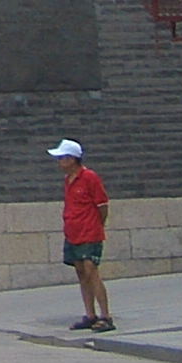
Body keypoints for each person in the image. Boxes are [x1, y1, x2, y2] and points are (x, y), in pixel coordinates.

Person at [47, 138, 112, 333]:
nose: (59, 162)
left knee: (92, 271)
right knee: (81, 273)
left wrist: (97, 225)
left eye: (61, 158)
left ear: (72, 159)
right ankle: (90, 315)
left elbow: (102, 205)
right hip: (73, 232)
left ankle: (106, 316)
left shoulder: (89, 177)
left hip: (89, 232)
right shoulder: (68, 181)